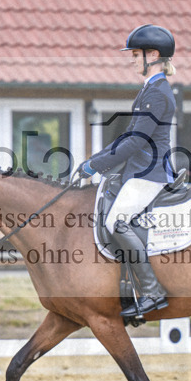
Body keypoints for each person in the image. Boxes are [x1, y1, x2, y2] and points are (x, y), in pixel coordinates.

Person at [80, 24, 177, 319]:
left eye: (136, 55)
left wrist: (96, 165)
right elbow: (129, 136)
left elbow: (137, 140)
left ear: (153, 55)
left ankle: (151, 290)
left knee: (116, 220)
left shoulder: (158, 93)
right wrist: (95, 159)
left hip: (149, 172)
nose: (133, 60)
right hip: (139, 170)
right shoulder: (150, 89)